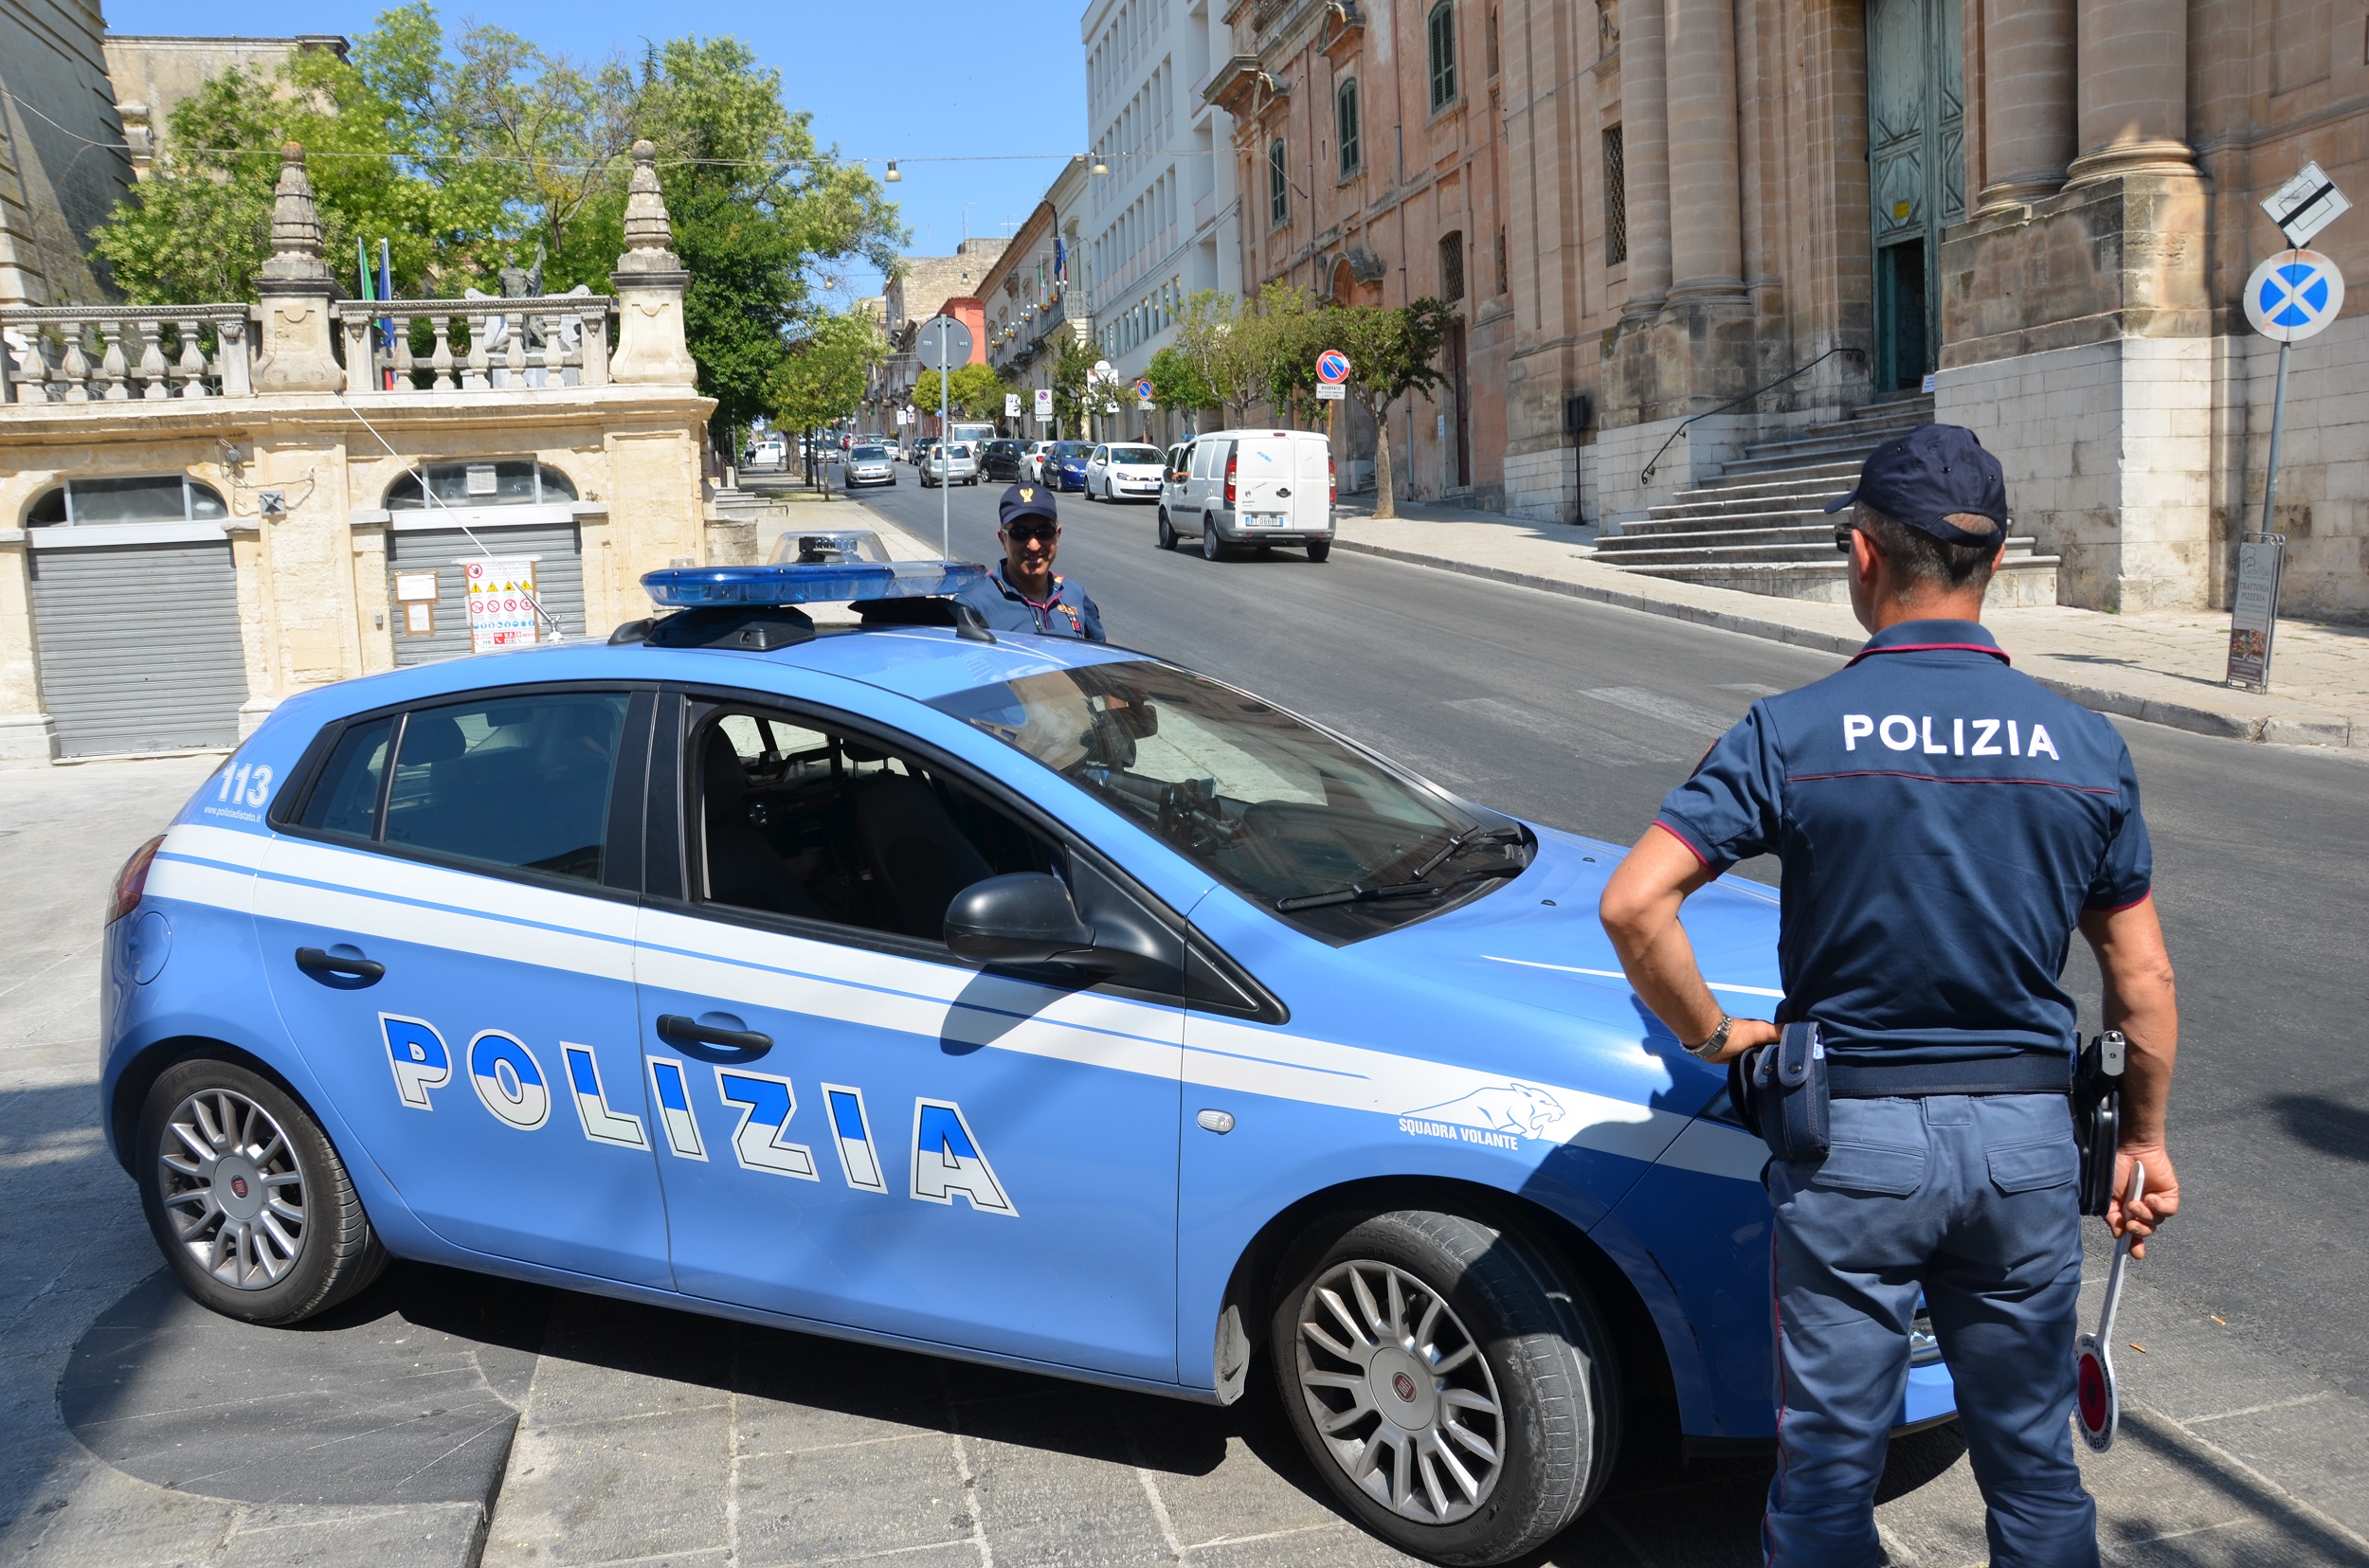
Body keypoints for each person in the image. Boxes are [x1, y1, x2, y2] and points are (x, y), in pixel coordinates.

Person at [1597, 424, 2179, 1568]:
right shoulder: (2085, 743)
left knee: (1823, 1472)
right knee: (2030, 1462)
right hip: (2024, 1146)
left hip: (1853, 1144)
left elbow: (1633, 904)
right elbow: (2141, 979)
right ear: (1995, 566)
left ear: (1863, 558)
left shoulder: (1793, 731)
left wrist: (1715, 1036)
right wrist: (2142, 1142)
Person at [959, 483, 1105, 640]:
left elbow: (1102, 659)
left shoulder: (1075, 594)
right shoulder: (972, 606)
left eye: (1044, 532)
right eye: (1020, 533)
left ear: (1058, 535)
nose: (1034, 546)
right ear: (1003, 539)